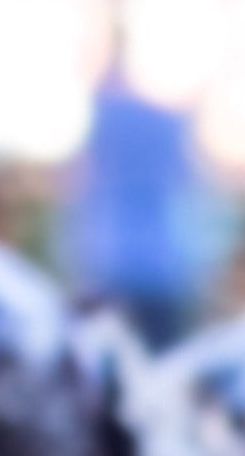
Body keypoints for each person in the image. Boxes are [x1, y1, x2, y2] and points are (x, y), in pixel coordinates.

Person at [66, 50, 218, 350]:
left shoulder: (106, 113)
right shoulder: (171, 120)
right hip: (164, 267)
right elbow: (192, 179)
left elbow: (78, 178)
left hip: (115, 264)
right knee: (166, 369)